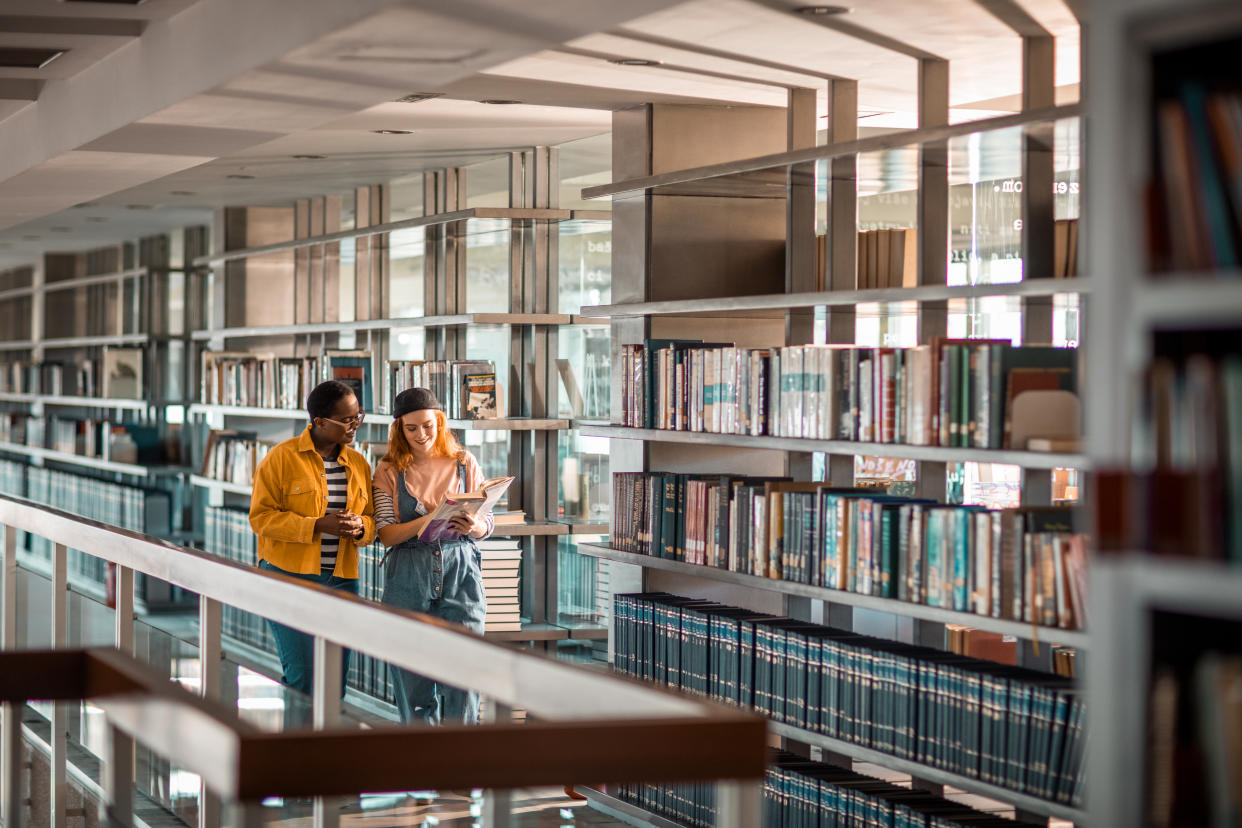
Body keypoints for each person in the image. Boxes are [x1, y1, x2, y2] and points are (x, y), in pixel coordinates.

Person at [249, 380, 376, 699]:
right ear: (319, 422)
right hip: (288, 577)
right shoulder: (280, 458)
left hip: (343, 581)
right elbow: (261, 519)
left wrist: (360, 525)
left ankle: (328, 749)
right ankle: (295, 748)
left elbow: (373, 522)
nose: (355, 425)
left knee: (334, 683)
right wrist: (317, 525)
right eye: (347, 420)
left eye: (358, 416)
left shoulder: (359, 464)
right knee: (303, 678)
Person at [372, 387, 490, 725]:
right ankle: (422, 764)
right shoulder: (388, 470)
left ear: (439, 422)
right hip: (408, 571)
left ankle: (461, 770)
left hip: (461, 569)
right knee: (413, 678)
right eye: (411, 429)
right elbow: (385, 534)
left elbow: (488, 523)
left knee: (465, 676)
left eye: (428, 426)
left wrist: (476, 525)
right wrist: (427, 520)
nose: (421, 435)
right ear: (399, 430)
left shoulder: (465, 462)